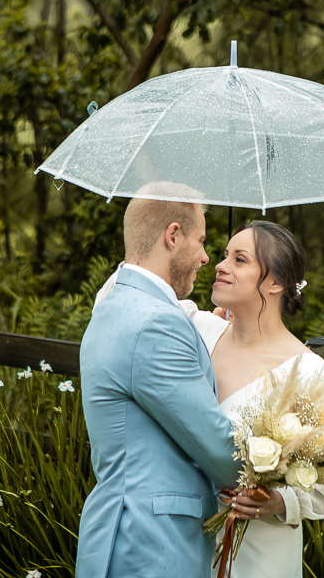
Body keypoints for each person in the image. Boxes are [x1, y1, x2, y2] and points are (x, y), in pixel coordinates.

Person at [76, 183, 241, 578]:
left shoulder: (112, 304)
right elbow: (218, 449)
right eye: (201, 241)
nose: (205, 257)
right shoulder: (155, 324)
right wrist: (281, 459)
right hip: (152, 545)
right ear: (172, 235)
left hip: (120, 532)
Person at [192, 221, 324, 578]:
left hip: (262, 553)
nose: (220, 265)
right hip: (186, 535)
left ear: (275, 283)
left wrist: (279, 501)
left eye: (240, 259)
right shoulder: (199, 331)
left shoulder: (313, 376)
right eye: (223, 255)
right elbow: (120, 300)